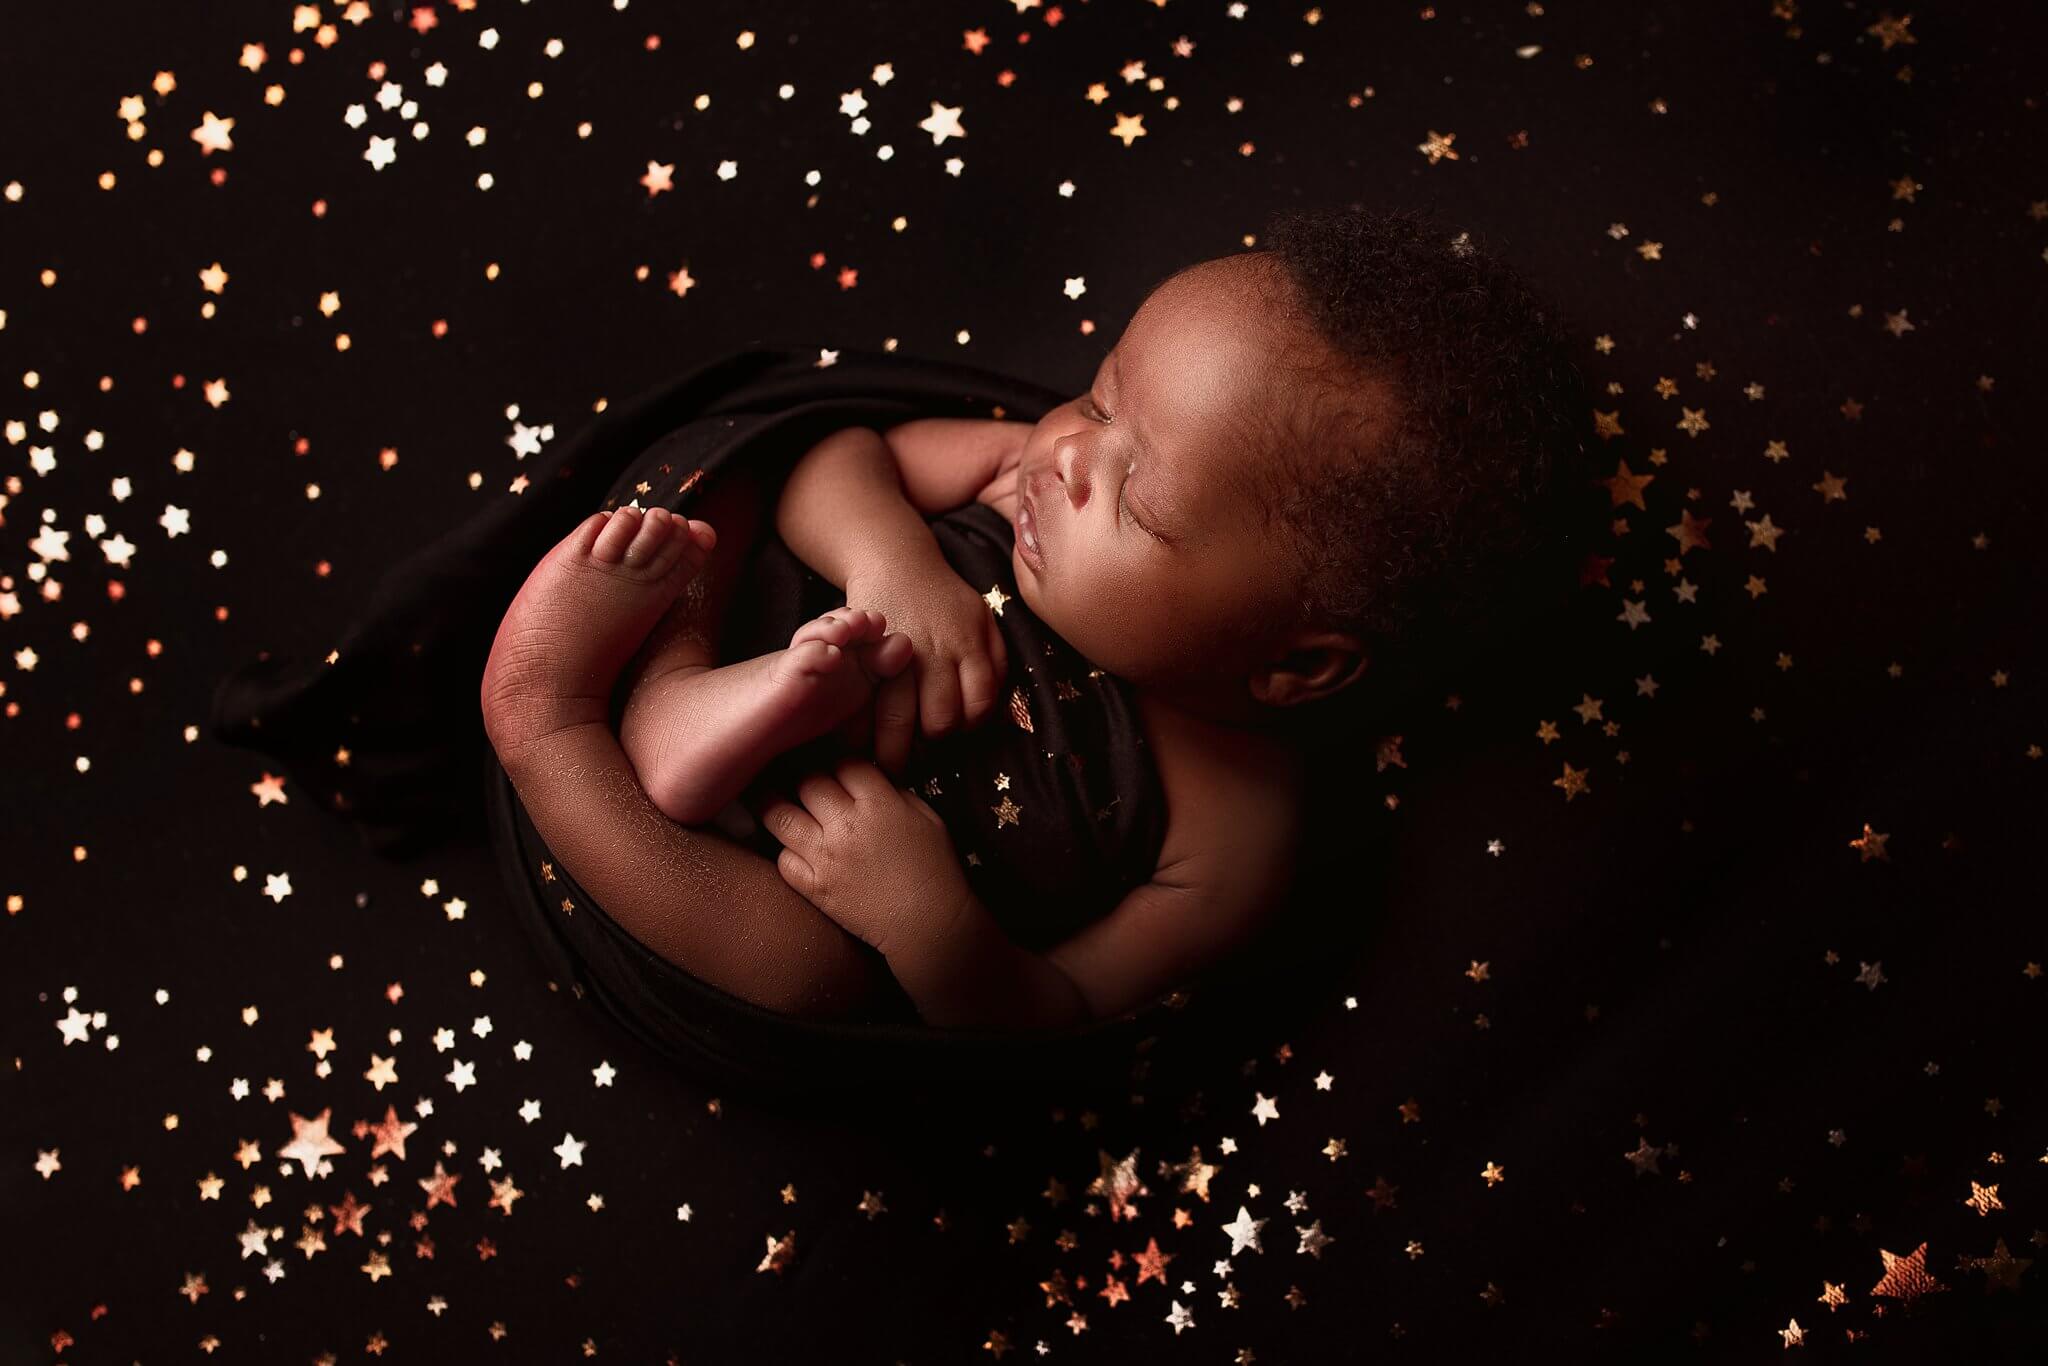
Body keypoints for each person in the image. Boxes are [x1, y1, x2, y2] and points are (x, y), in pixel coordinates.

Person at [478, 204, 1594, 1039]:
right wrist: (891, 560)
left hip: (762, 877)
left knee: (811, 986)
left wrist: (929, 923)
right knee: (724, 499)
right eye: (1102, 394)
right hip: (755, 643)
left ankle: (547, 721)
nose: (1066, 455)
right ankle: (671, 703)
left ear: (1296, 662)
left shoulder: (1234, 836)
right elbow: (834, 460)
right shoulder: (1021, 464)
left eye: (1138, 499)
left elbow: (1051, 1017)